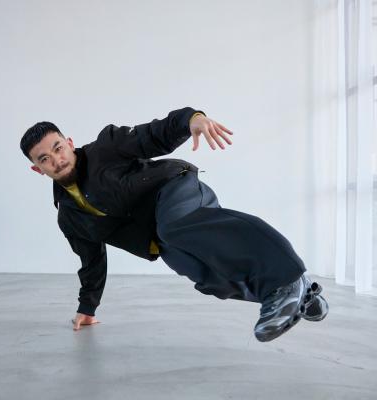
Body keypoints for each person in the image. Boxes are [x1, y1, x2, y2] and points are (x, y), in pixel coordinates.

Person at [20, 107, 328, 342]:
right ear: (37, 169)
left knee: (175, 227)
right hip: (158, 237)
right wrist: (87, 308)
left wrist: (191, 120)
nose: (57, 160)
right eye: (44, 159)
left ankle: (286, 278)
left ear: (69, 143)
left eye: (58, 148)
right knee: (207, 278)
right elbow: (91, 261)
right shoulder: (69, 217)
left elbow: (152, 135)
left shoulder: (105, 148)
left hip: (172, 189)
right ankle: (293, 297)